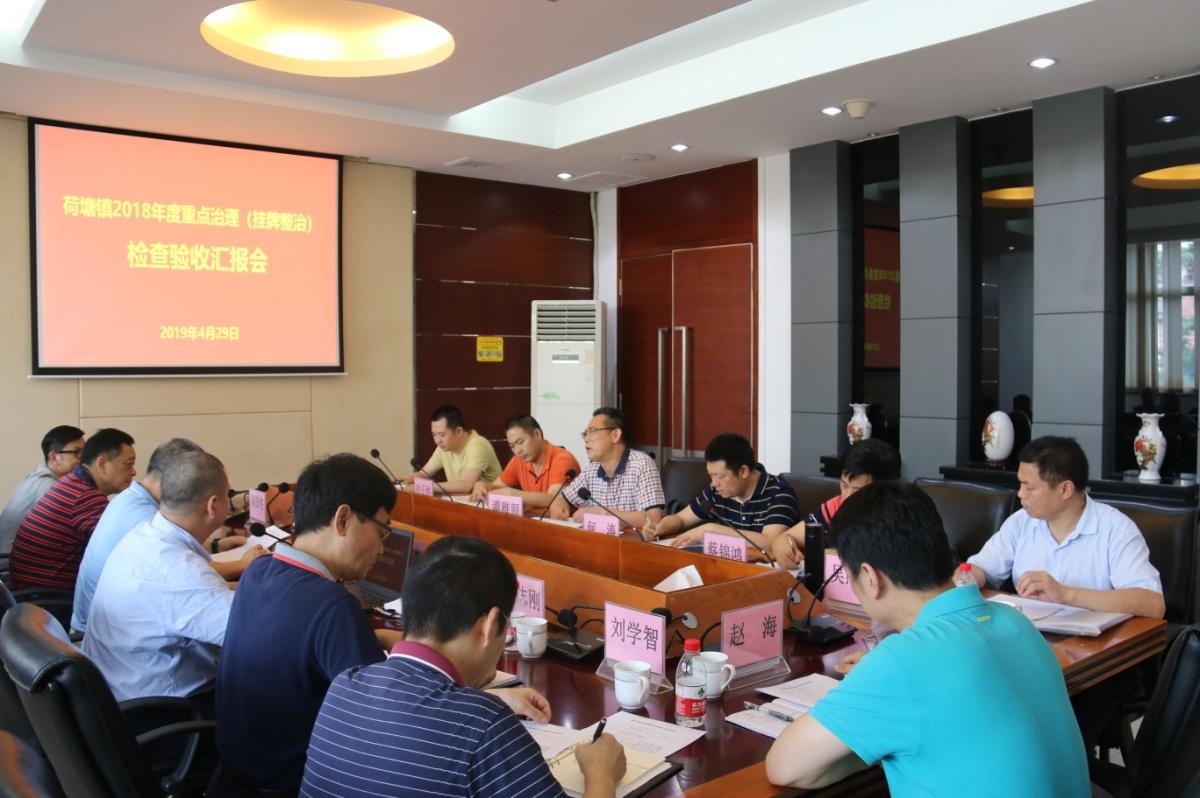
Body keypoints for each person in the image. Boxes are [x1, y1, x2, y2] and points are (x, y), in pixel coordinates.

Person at [765, 481, 1089, 796]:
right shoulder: (1015, 621)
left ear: (870, 577)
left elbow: (784, 767)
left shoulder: (901, 662)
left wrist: (878, 732)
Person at [302, 535, 626, 798]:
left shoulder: (345, 685)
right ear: (489, 626)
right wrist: (601, 774)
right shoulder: (483, 725)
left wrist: (489, 698)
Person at [211, 453, 407, 797]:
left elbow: (294, 644)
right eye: (382, 531)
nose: (381, 548)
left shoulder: (258, 572)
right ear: (343, 519)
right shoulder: (333, 606)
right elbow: (385, 722)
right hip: (297, 784)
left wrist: (367, 636)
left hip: (234, 777)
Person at [966, 435, 1164, 750]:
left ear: (1065, 489)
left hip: (1100, 668)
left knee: (1046, 730)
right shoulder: (1021, 523)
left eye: (1029, 487)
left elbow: (1152, 603)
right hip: (1029, 648)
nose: (1020, 494)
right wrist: (965, 577)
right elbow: (980, 568)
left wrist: (1067, 594)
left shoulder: (1116, 530)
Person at [82, 449, 233, 703]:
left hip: (116, 689)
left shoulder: (143, 535)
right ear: (214, 505)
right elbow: (255, 635)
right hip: (166, 709)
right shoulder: (179, 571)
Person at [71, 438, 263, 633]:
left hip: (111, 634)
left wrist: (219, 554)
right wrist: (247, 570)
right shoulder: (145, 523)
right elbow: (252, 632)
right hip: (99, 632)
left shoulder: (144, 527)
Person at [8, 428, 136, 590]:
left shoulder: (72, 482)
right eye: (128, 464)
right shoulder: (84, 496)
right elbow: (120, 549)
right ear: (102, 464)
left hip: (30, 588)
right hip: (49, 596)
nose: (134, 472)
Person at [644, 433, 799, 559]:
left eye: (720, 476)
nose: (714, 483)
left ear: (743, 471)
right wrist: (660, 527)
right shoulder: (717, 491)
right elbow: (681, 519)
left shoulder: (779, 492)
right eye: (711, 475)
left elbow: (771, 541)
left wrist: (711, 530)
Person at [768, 438, 900, 568]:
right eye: (844, 485)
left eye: (858, 491)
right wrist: (783, 545)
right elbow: (787, 537)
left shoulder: (897, 518)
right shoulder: (836, 506)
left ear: (883, 490)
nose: (847, 497)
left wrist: (829, 555)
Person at [547, 407, 665, 528]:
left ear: (615, 435)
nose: (586, 439)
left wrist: (604, 514)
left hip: (632, 539)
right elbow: (563, 497)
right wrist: (557, 504)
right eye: (585, 433)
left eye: (592, 431)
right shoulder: (593, 469)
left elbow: (653, 519)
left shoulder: (642, 464)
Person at [0, 425, 86, 555]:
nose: (83, 459)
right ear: (53, 458)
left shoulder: (37, 478)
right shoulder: (48, 485)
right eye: (76, 452)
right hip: (11, 561)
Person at [469, 414, 581, 509]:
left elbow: (554, 498)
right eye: (512, 446)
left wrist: (514, 494)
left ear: (537, 434)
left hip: (560, 523)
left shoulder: (562, 459)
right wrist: (482, 486)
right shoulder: (519, 460)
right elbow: (496, 485)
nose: (517, 450)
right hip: (533, 520)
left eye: (520, 442)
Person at [404, 404, 502, 493]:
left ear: (458, 431)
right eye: (434, 435)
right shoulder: (443, 448)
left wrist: (427, 487)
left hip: (486, 504)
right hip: (461, 502)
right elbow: (423, 475)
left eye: (442, 435)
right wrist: (402, 483)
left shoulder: (478, 445)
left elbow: (467, 485)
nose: (437, 441)